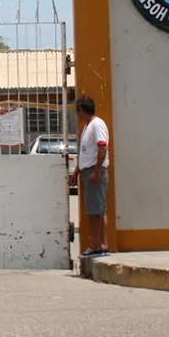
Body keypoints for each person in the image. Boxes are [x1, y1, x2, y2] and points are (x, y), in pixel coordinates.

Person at [69, 96, 111, 257]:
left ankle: (97, 247)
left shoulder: (97, 124)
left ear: (82, 110)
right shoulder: (88, 127)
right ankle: (100, 244)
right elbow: (85, 154)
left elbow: (102, 147)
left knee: (95, 212)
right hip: (89, 171)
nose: (77, 115)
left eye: (77, 111)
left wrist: (97, 171)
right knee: (98, 210)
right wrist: (76, 172)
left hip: (95, 171)